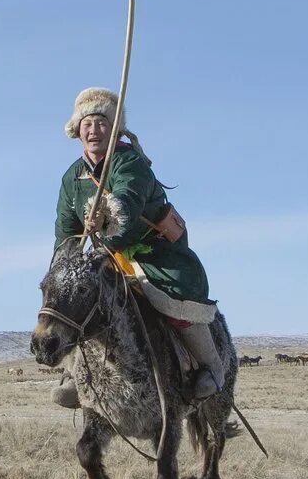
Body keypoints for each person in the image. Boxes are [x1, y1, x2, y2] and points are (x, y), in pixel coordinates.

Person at [52, 86, 226, 407]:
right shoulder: (71, 178)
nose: (94, 130)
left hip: (155, 255)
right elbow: (66, 233)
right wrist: (64, 270)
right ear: (77, 130)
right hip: (106, 257)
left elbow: (125, 207)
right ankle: (75, 373)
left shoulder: (128, 163)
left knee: (172, 302)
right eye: (87, 123)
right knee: (75, 301)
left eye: (102, 122)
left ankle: (211, 367)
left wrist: (105, 219)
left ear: (115, 128)